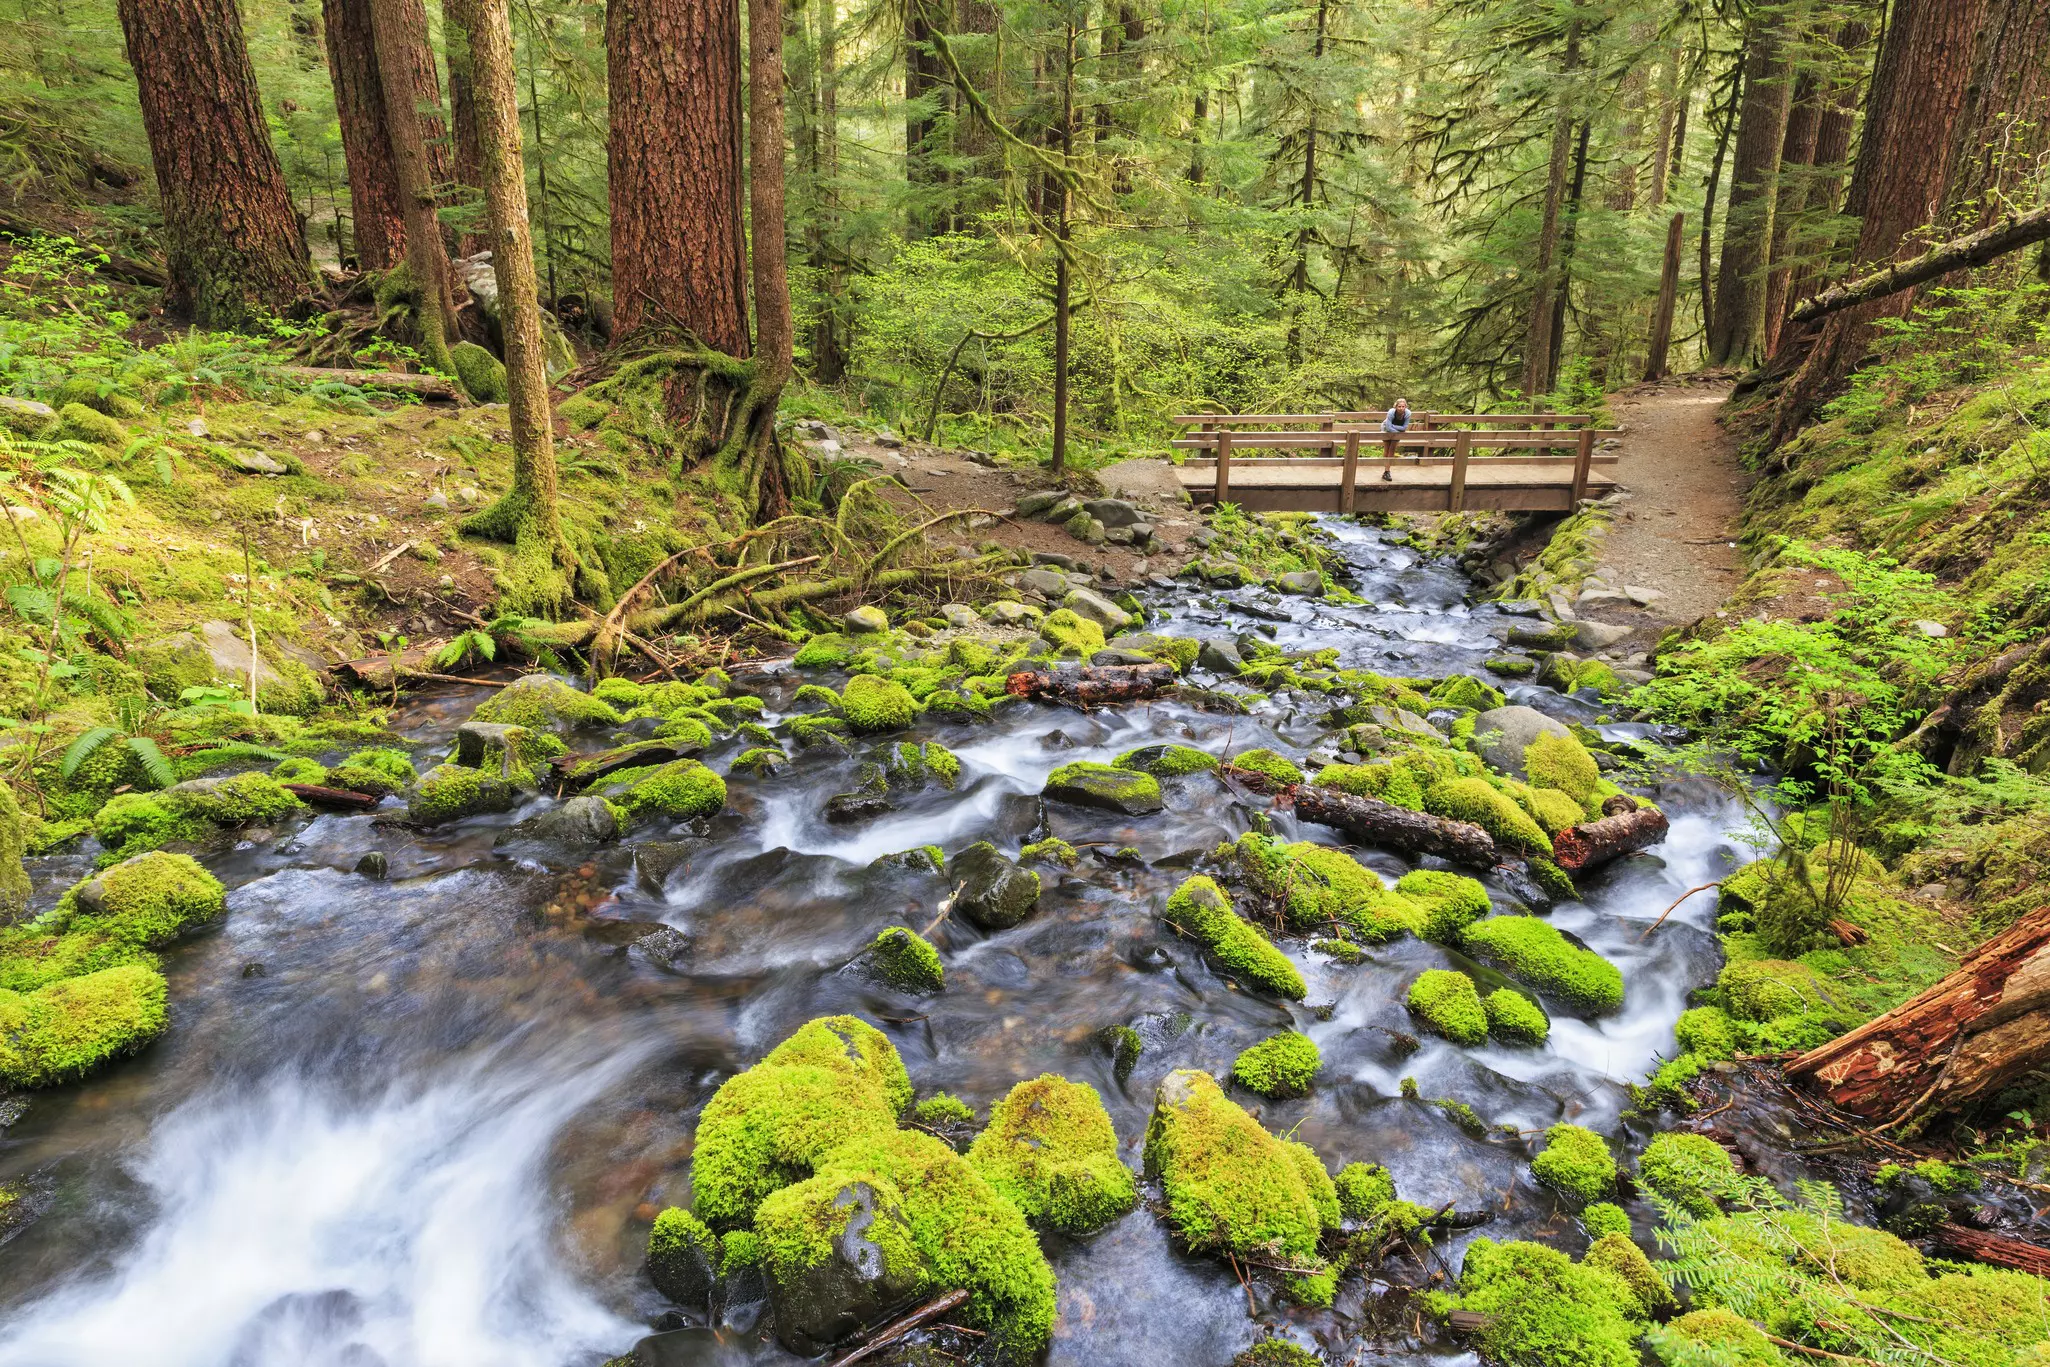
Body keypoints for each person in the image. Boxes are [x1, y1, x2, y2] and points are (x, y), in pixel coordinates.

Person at [1380, 399, 1412, 481]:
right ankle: (1386, 471)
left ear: (1405, 407)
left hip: (1397, 432)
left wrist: (1394, 428)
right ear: (1396, 407)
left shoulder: (1407, 413)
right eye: (1399, 406)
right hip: (1386, 430)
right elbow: (1387, 427)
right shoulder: (1391, 412)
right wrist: (1398, 431)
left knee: (1392, 450)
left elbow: (1404, 427)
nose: (1401, 408)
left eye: (1403, 406)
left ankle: (1387, 471)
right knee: (1387, 449)